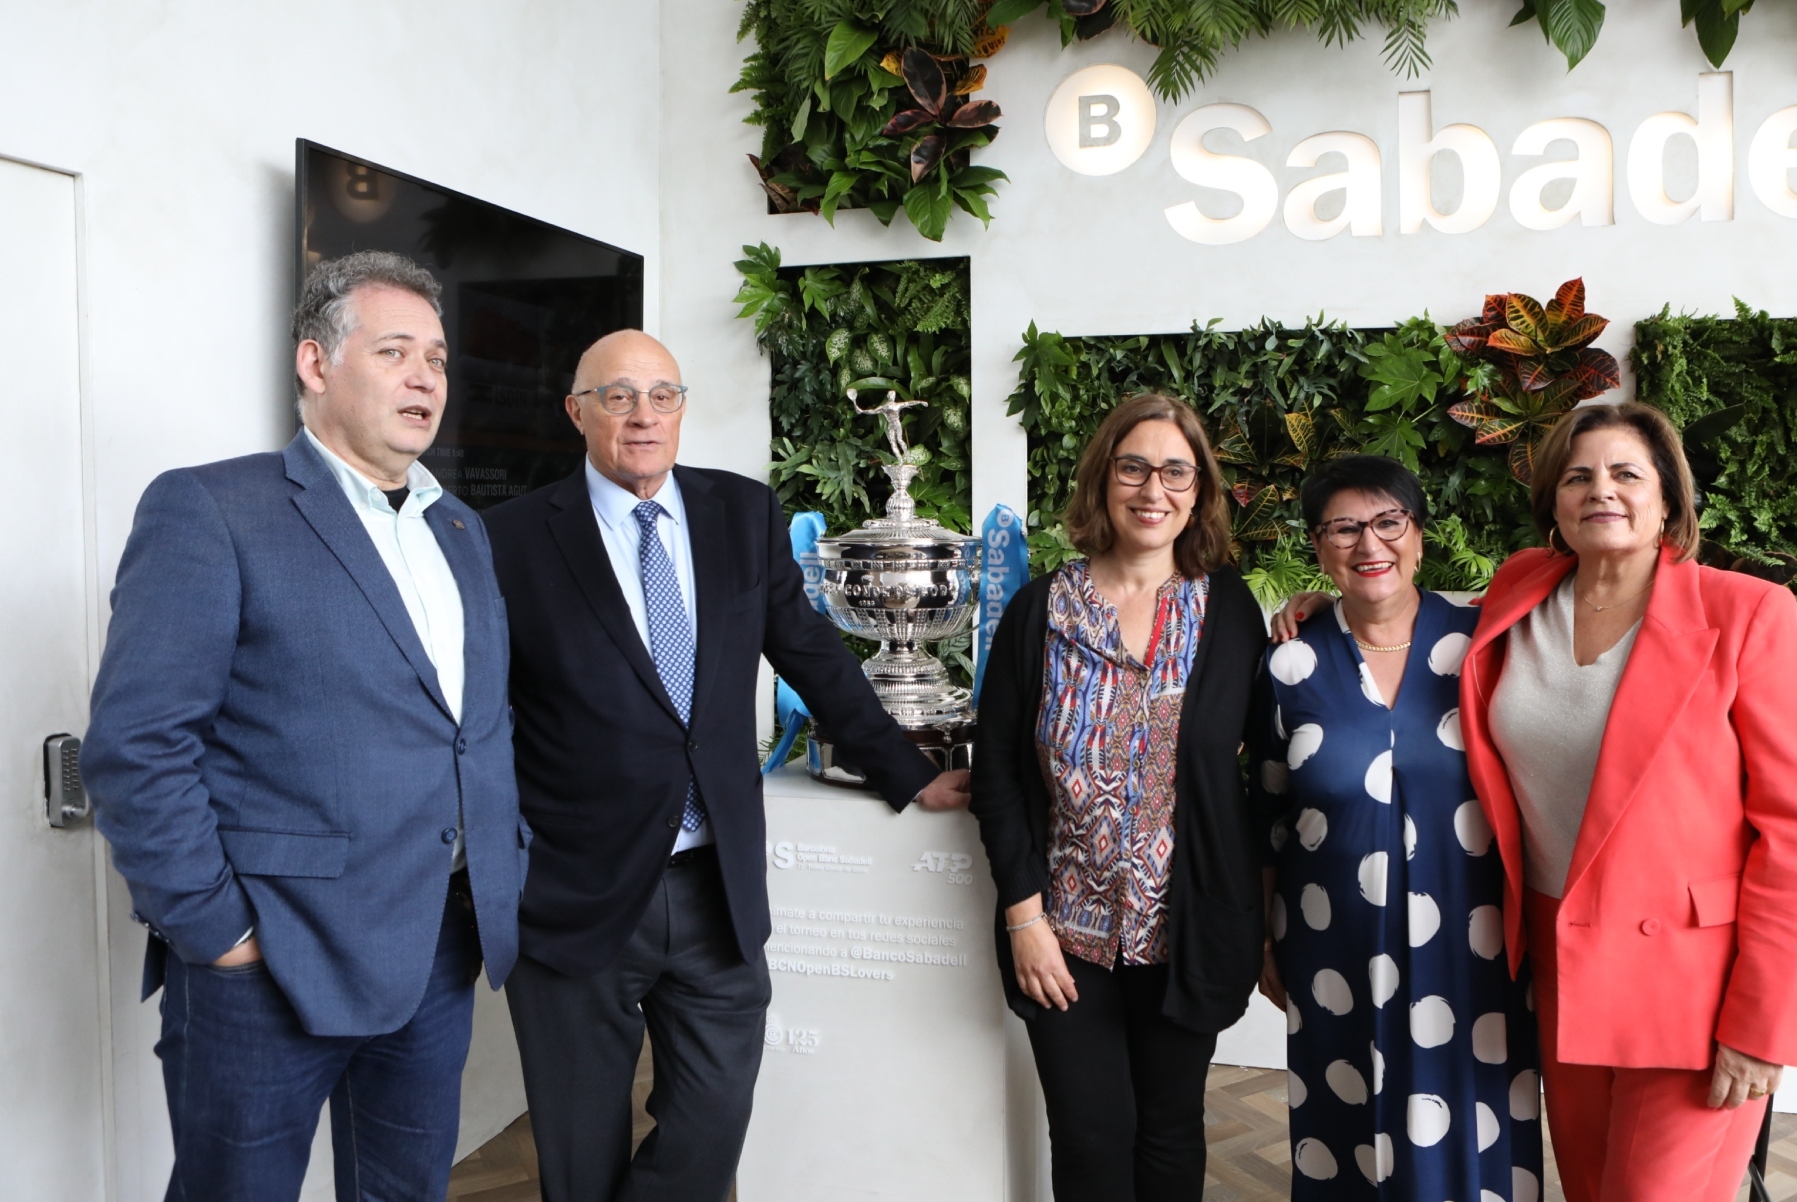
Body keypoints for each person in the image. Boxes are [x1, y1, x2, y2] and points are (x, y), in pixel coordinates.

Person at [484, 328, 969, 1202]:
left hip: (716, 885)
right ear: (578, 413)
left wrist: (905, 768)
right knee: (577, 1149)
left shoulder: (740, 514)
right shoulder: (508, 539)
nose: (642, 415)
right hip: (573, 891)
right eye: (618, 395)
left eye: (661, 395)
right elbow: (479, 712)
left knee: (712, 1120)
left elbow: (811, 652)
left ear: (681, 409)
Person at [80, 251, 522, 1201]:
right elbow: (136, 746)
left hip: (439, 947)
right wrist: (218, 932)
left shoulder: (461, 530)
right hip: (270, 962)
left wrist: (498, 860)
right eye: (395, 351)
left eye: (438, 359)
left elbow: (470, 724)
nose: (424, 379)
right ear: (315, 365)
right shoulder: (211, 509)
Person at [1460, 403, 1797, 1202]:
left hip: (1693, 985)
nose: (1603, 491)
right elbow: (1421, 620)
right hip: (1563, 961)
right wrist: (1330, 616)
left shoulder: (1744, 613)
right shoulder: (1520, 587)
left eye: (1627, 473)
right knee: (1592, 1190)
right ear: (1555, 505)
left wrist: (1763, 1023)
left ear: (1669, 499)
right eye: (1579, 475)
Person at [970, 392, 1266, 1202]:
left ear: (1199, 490)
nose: (1152, 488)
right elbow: (997, 771)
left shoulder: (1230, 612)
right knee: (1092, 1141)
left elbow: (1271, 759)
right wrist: (1023, 919)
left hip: (1187, 932)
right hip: (1063, 942)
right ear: (1104, 479)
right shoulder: (1039, 613)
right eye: (1133, 467)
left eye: (1177, 470)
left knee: (1170, 1136)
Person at [1249, 455, 1542, 1200]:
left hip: (1472, 945)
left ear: (1418, 535)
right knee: (1343, 1125)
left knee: (1470, 1122)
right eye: (1343, 528)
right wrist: (1262, 936)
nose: (1368, 544)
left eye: (1387, 522)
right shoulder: (1288, 665)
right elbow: (1267, 812)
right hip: (1330, 945)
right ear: (1317, 547)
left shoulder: (1485, 643)